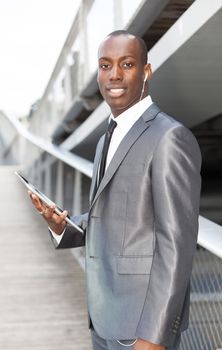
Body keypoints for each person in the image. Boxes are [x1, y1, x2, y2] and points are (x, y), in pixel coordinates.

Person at [29, 30, 201, 350]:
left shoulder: (170, 138)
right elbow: (116, 216)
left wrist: (154, 336)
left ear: (146, 72)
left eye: (127, 64)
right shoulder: (107, 137)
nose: (115, 75)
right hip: (104, 318)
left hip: (141, 329)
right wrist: (61, 226)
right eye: (105, 65)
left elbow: (176, 246)